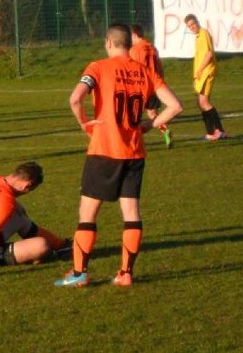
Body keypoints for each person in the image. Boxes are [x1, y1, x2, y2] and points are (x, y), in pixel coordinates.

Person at [56, 23, 183, 288]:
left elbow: (75, 99)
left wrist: (84, 123)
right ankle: (125, 273)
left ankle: (79, 273)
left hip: (104, 150)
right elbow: (175, 106)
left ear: (109, 43)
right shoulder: (144, 71)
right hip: (134, 152)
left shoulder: (98, 67)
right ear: (130, 44)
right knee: (131, 213)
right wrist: (150, 124)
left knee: (88, 213)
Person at [184, 14, 226, 141]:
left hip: (207, 72)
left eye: (193, 24)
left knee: (204, 102)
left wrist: (200, 69)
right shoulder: (198, 37)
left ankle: (220, 131)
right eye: (189, 26)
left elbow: (209, 53)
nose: (192, 27)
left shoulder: (204, 34)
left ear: (197, 22)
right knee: (200, 103)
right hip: (202, 74)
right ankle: (210, 132)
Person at [130, 24, 173, 149]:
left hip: (141, 87)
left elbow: (134, 70)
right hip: (155, 85)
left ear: (134, 34)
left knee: (134, 116)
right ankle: (165, 131)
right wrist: (160, 82)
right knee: (153, 113)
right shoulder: (152, 48)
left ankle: (134, 142)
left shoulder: (135, 50)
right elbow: (159, 67)